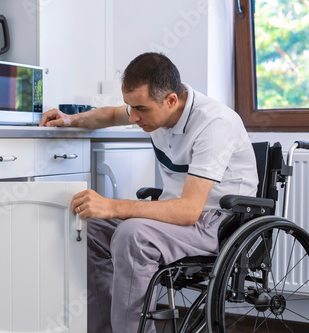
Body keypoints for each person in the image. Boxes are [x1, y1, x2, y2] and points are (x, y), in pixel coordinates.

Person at [39, 52, 258, 333]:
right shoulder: (154, 109)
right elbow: (110, 114)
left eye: (140, 108)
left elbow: (189, 210)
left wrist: (113, 206)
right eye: (131, 107)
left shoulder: (214, 124)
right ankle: (104, 327)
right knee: (88, 226)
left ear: (171, 100)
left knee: (133, 235)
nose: (134, 116)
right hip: (178, 217)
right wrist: (70, 120)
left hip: (217, 223)